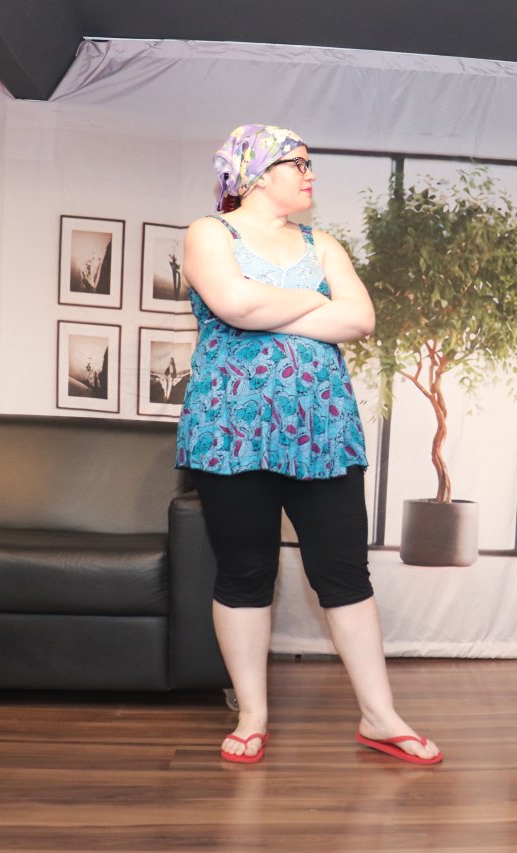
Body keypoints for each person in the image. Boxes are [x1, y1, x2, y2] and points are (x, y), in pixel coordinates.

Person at [176, 124, 441, 766]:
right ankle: (253, 716)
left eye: (308, 163)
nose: (310, 173)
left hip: (322, 429)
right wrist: (310, 303)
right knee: (245, 572)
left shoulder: (324, 243)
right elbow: (234, 305)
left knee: (345, 572)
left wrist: (268, 303)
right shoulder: (210, 233)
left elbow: (360, 319)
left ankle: (380, 717)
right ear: (256, 172)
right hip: (231, 431)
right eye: (297, 163)